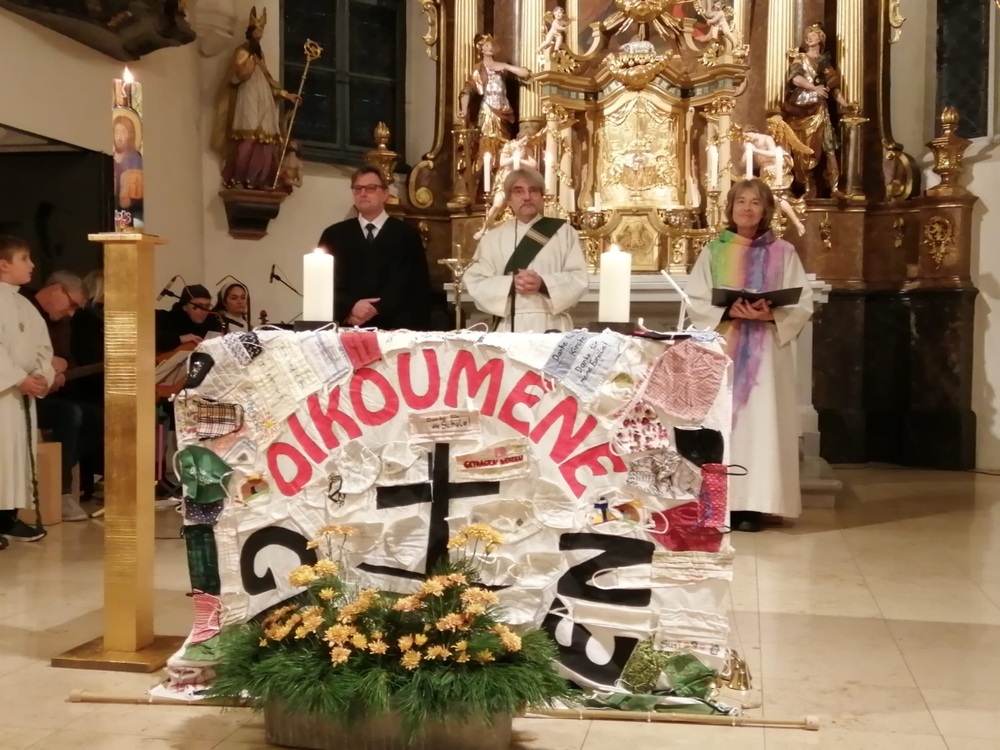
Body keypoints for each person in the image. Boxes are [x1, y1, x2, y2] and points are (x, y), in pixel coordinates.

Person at [687, 179, 813, 532]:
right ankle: (722, 503)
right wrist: (728, 311)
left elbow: (802, 302)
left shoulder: (783, 252)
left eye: (755, 202)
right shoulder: (714, 251)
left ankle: (756, 505)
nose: (747, 208)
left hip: (766, 357)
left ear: (766, 209)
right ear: (730, 208)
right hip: (725, 351)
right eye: (740, 201)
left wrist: (770, 314)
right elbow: (697, 299)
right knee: (725, 424)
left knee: (762, 424)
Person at [465, 167, 588, 332]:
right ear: (508, 200)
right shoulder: (492, 239)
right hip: (508, 327)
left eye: (533, 190)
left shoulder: (564, 233)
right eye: (518, 191)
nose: (527, 197)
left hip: (552, 326)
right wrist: (510, 284)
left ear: (542, 197)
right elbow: (476, 283)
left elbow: (579, 279)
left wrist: (543, 284)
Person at [26, 271, 101, 522]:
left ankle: (56, 471)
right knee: (70, 413)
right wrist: (47, 368)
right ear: (56, 289)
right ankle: (61, 491)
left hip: (45, 393)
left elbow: (66, 358)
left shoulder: (61, 322)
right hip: (21, 393)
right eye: (71, 305)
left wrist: (62, 366)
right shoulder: (23, 308)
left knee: (98, 418)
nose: (71, 313)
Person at [317, 166, 433, 330]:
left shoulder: (407, 235)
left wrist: (375, 309)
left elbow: (413, 285)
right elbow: (324, 283)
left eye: (371, 188)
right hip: (346, 326)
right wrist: (351, 307)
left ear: (385, 193)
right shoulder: (334, 235)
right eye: (358, 188)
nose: (363, 193)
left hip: (394, 329)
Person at [0, 236, 56, 545]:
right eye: (24, 258)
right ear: (3, 264)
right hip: (4, 391)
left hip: (21, 394)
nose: (32, 265)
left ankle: (7, 518)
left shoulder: (25, 305)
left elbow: (43, 348)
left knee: (16, 455)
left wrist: (40, 376)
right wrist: (17, 378)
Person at [211, 5, 301, 190]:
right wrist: (249, 64)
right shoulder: (242, 52)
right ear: (250, 33)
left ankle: (260, 178)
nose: (260, 35)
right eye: (257, 31)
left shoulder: (260, 55)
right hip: (248, 96)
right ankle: (239, 176)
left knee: (266, 137)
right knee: (248, 135)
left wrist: (286, 95)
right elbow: (239, 74)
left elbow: (268, 81)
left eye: (261, 32)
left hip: (264, 97)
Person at [782, 22, 848, 196]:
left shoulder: (824, 63)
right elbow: (795, 79)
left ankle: (835, 188)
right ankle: (806, 187)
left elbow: (834, 88)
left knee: (829, 146)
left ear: (820, 39)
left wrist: (845, 104)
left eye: (813, 34)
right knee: (804, 149)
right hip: (801, 109)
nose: (809, 38)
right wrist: (814, 88)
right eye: (808, 35)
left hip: (820, 109)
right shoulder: (801, 58)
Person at [155, 285, 222, 355]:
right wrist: (180, 338)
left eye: (207, 306)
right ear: (184, 306)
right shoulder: (165, 318)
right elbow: (151, 339)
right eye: (198, 306)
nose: (204, 311)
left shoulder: (212, 324)